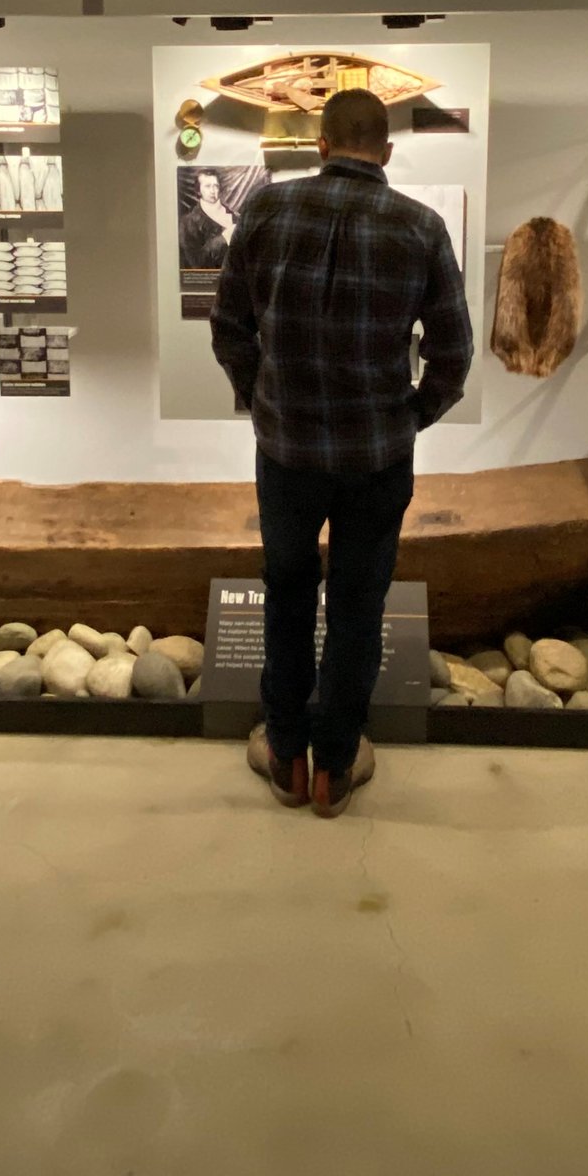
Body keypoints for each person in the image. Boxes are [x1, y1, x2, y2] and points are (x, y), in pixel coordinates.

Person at [210, 88, 471, 816]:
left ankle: (287, 756)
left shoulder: (263, 210)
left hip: (286, 453)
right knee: (358, 605)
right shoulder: (420, 227)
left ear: (320, 144)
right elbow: (453, 355)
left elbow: (229, 327)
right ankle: (335, 767)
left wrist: (262, 397)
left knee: (287, 592)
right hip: (376, 459)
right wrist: (409, 416)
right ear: (385, 151)